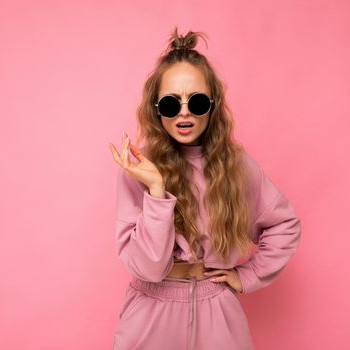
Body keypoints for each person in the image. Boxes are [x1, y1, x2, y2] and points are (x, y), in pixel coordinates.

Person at [108, 27, 302, 350]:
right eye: (171, 104)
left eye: (196, 101)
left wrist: (248, 275)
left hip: (218, 315)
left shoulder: (237, 166)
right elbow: (149, 267)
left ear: (212, 105)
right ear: (157, 109)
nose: (184, 112)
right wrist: (156, 189)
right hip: (150, 315)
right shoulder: (139, 169)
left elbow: (285, 225)